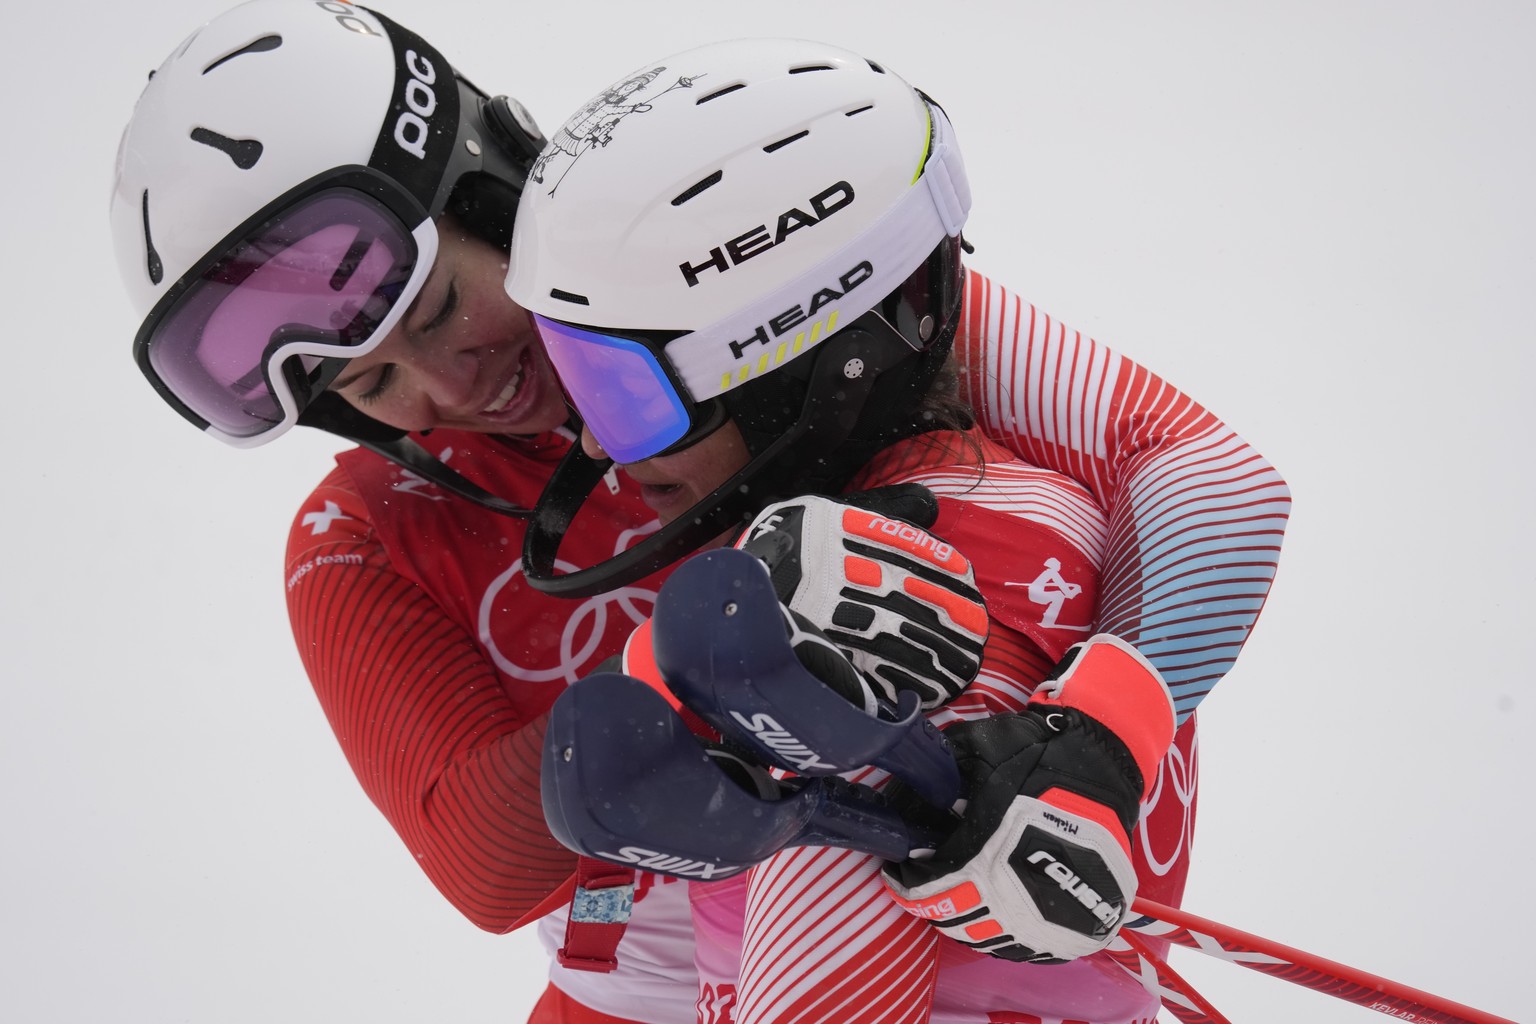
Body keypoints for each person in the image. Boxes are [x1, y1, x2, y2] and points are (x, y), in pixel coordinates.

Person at [108, 2, 1290, 1022]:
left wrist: (1099, 732)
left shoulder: (702, 266)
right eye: (374, 384)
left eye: (438, 312)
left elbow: (1197, 477)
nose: (454, 387)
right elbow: (480, 859)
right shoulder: (364, 531)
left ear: (488, 190)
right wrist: (694, 667)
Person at [506, 37, 1281, 1024]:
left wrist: (1097, 734)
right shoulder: (934, 502)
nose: (591, 441)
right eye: (573, 372)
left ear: (803, 369)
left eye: (621, 391)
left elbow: (1222, 485)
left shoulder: (880, 615)